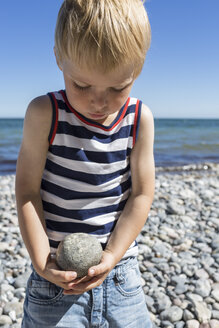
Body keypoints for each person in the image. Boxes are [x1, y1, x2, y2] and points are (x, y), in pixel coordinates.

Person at [16, 0, 155, 327]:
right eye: (81, 84)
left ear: (138, 68)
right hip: (55, 276)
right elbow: (26, 191)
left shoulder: (139, 119)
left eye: (118, 87)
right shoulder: (44, 113)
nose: (99, 100)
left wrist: (112, 255)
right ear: (58, 57)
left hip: (120, 273)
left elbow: (141, 195)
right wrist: (41, 261)